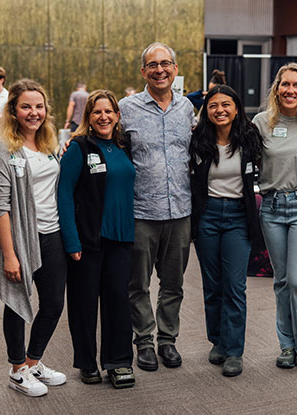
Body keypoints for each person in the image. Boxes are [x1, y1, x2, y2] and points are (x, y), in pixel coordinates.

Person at [0, 79, 67, 397]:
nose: (34, 113)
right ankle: (17, 369)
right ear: (13, 110)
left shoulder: (48, 144)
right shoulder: (2, 150)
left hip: (53, 235)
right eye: (26, 107)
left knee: (53, 304)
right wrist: (9, 255)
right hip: (21, 238)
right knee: (18, 304)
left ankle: (34, 362)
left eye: (39, 106)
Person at [119, 42, 195, 371]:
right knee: (138, 283)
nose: (160, 70)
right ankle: (144, 341)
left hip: (180, 211)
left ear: (176, 69)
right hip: (141, 213)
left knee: (174, 283)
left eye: (166, 64)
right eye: (153, 65)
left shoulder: (187, 109)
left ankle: (168, 340)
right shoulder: (126, 108)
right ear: (143, 71)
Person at [57, 90, 136, 389]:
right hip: (88, 240)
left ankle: (118, 363)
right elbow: (63, 195)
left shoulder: (123, 145)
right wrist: (71, 241)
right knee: (84, 303)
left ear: (117, 116)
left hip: (122, 238)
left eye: (109, 112)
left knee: (118, 302)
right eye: (97, 112)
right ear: (88, 117)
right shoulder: (78, 147)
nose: (104, 117)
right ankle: (87, 363)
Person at [252, 62, 297, 370]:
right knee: (282, 281)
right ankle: (286, 346)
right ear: (276, 88)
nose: (290, 90)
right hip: (271, 208)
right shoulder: (261, 122)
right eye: (285, 84)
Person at [190, 85, 262, 377]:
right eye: (213, 105)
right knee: (212, 285)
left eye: (226, 104)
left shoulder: (249, 139)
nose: (220, 110)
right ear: (206, 111)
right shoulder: (198, 141)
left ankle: (234, 350)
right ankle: (218, 341)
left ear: (236, 108)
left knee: (234, 286)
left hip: (237, 217)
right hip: (207, 217)